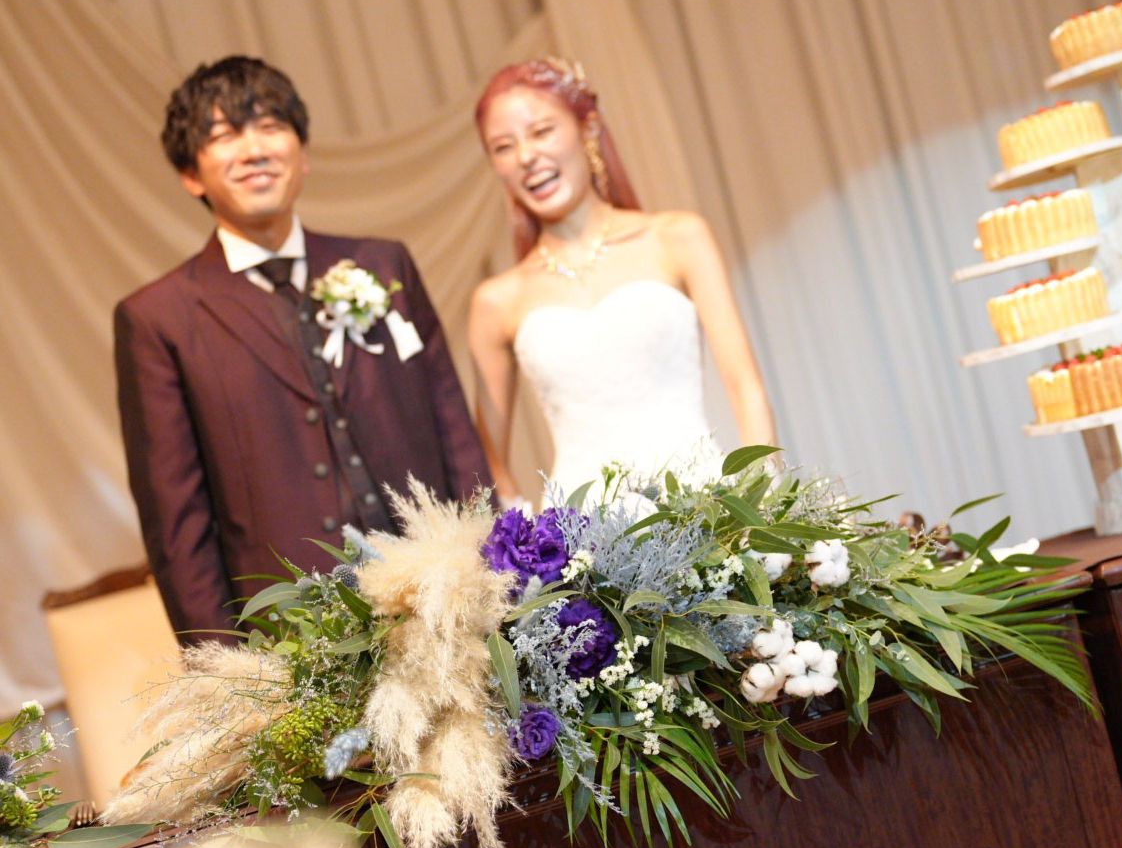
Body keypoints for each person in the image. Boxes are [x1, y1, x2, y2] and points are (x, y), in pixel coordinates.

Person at [115, 56, 489, 643]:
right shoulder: (160, 318)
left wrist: (494, 567)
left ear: (303, 153)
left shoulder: (382, 264)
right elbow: (175, 522)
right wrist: (223, 670)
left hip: (446, 599)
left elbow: (453, 430)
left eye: (270, 127)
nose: (254, 150)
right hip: (294, 636)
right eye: (225, 136)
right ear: (191, 174)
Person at [468, 57, 779, 503]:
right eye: (503, 147)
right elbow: (486, 458)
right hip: (582, 531)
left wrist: (763, 504)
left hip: (702, 511)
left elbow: (746, 386)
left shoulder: (678, 237)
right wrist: (526, 531)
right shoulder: (496, 301)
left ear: (588, 129)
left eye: (541, 131)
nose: (526, 157)